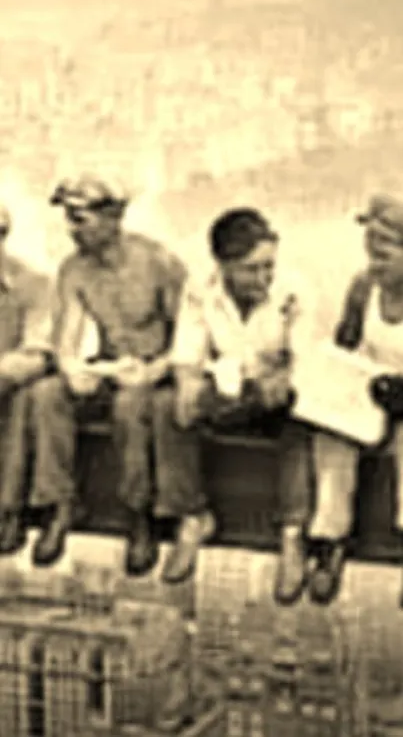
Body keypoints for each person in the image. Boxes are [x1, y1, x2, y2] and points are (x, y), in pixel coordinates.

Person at [28, 174, 215, 579]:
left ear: (112, 218)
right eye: (70, 219)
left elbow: (189, 336)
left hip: (157, 371)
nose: (72, 230)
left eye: (80, 219)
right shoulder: (74, 271)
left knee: (130, 406)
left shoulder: (157, 262)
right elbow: (68, 337)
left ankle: (139, 515)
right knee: (47, 395)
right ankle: (59, 503)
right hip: (113, 367)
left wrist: (154, 370)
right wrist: (75, 369)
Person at [171, 207, 313, 605]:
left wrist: (284, 379)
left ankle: (292, 536)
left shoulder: (295, 291)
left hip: (279, 397)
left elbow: (308, 359)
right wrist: (188, 384)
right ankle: (193, 514)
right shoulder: (201, 289)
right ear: (224, 266)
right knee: (176, 409)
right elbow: (188, 352)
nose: (264, 278)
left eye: (269, 267)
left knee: (299, 426)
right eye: (252, 269)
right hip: (232, 390)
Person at [307, 192, 403, 606]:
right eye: (371, 254)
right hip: (370, 398)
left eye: (385, 255)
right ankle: (330, 539)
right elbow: (346, 344)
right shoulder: (363, 288)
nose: (374, 264)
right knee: (331, 438)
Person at [0, 204, 55, 555]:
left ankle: (8, 509)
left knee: (29, 396)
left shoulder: (33, 285)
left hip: (6, 393)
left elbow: (38, 352)